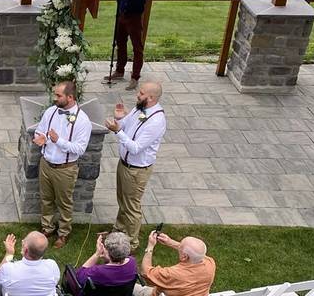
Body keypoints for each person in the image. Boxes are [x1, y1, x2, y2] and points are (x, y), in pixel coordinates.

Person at [105, 81, 168, 251]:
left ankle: (131, 243)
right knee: (122, 200)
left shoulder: (156, 121)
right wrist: (119, 119)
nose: (137, 96)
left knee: (132, 206)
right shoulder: (139, 108)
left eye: (141, 93)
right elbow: (125, 124)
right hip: (124, 164)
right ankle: (118, 231)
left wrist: (117, 131)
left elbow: (135, 148)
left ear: (151, 97)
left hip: (136, 170)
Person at [32, 80, 92, 248]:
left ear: (70, 97)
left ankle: (63, 233)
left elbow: (79, 149)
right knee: (46, 199)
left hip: (65, 169)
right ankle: (47, 227)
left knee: (64, 203)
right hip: (46, 164)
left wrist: (59, 141)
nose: (54, 98)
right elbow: (40, 129)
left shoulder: (82, 121)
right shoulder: (51, 111)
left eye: (58, 95)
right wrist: (41, 137)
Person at [104, 0, 156, 90]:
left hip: (134, 17)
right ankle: (119, 70)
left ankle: (135, 77)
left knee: (137, 47)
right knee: (120, 43)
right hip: (122, 14)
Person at [137, 230, 215, 296]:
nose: (179, 246)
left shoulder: (173, 274)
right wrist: (170, 242)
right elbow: (197, 253)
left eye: (180, 246)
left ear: (184, 257)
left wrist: (150, 246)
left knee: (132, 288)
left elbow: (146, 272)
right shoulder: (210, 263)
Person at [0, 231, 60, 296]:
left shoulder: (8, 269)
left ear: (26, 250)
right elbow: (55, 281)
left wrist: (9, 254)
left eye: (23, 242)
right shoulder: (52, 266)